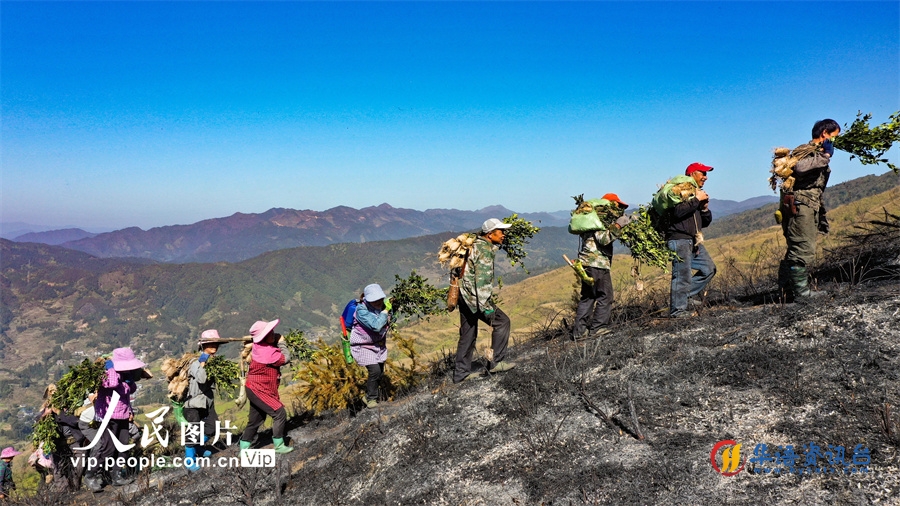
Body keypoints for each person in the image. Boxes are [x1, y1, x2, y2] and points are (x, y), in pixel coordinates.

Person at [778, 119, 841, 302]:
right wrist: (825, 156)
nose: (835, 140)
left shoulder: (816, 152)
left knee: (797, 248)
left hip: (810, 204)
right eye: (834, 136)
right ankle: (801, 294)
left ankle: (787, 291)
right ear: (825, 134)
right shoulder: (804, 150)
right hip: (801, 204)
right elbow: (799, 167)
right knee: (801, 247)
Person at [454, 218, 517, 383]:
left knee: (468, 333)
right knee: (502, 322)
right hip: (475, 298)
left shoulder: (473, 244)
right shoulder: (484, 250)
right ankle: (496, 362)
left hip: (464, 295)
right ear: (490, 234)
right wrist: (486, 307)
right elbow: (481, 281)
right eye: (501, 231)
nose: (503, 235)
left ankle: (461, 374)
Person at [83, 347, 145, 492]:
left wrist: (129, 380)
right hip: (107, 416)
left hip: (122, 415)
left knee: (123, 446)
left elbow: (129, 392)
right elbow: (111, 383)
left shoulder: (125, 376)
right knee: (108, 448)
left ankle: (116, 475)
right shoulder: (105, 375)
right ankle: (91, 475)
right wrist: (111, 368)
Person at [572, 194, 632, 339]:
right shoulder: (599, 219)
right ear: (609, 204)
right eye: (618, 205)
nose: (619, 209)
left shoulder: (590, 219)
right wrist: (618, 225)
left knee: (588, 296)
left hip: (586, 263)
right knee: (605, 296)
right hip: (597, 263)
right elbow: (604, 239)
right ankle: (598, 328)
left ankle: (579, 332)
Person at [666, 163, 717, 318]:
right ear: (693, 174)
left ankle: (681, 297)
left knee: (709, 269)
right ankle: (678, 311)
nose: (705, 177)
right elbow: (676, 213)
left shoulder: (696, 194)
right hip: (679, 239)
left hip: (693, 241)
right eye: (703, 173)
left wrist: (704, 208)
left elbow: (705, 222)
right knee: (682, 276)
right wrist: (696, 200)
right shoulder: (680, 191)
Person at [239, 319, 294, 454]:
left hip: (253, 387)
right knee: (279, 413)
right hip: (259, 389)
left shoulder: (259, 347)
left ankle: (244, 449)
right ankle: (279, 445)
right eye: (270, 333)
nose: (273, 334)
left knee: (256, 419)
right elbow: (285, 358)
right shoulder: (266, 353)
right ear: (263, 337)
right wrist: (282, 343)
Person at [182, 329, 229, 471]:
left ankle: (198, 448)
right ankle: (189, 460)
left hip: (206, 403)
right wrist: (202, 363)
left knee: (213, 427)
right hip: (193, 405)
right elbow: (201, 379)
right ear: (203, 346)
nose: (214, 347)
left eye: (216, 344)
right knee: (194, 430)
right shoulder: (195, 362)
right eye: (211, 344)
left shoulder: (213, 362)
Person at [349, 284, 392, 408]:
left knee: (380, 372)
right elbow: (376, 326)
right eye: (374, 300)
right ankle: (372, 400)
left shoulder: (383, 306)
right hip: (363, 346)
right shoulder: (361, 310)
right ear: (367, 300)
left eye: (380, 299)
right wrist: (385, 311)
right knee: (374, 371)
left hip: (378, 346)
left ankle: (368, 396)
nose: (378, 302)